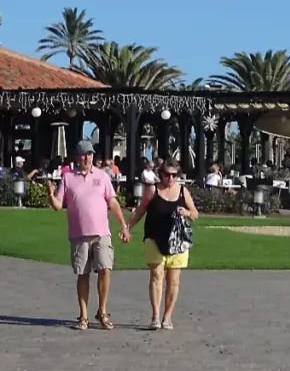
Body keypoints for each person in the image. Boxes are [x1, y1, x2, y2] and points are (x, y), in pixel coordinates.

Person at [46, 139, 131, 331]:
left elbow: (113, 203)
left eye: (90, 154)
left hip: (102, 233)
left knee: (105, 268)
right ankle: (83, 316)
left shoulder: (102, 176)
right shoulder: (68, 178)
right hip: (79, 234)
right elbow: (59, 205)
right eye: (84, 154)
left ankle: (102, 312)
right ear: (78, 156)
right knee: (82, 274)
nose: (88, 158)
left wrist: (124, 226)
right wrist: (51, 196)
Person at [127, 158, 198, 330]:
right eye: (167, 175)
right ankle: (155, 316)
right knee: (156, 276)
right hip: (154, 238)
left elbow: (195, 213)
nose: (170, 179)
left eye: (174, 175)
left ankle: (167, 317)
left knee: (173, 280)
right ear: (161, 174)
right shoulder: (152, 190)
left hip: (177, 242)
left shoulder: (182, 191)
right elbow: (141, 210)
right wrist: (127, 227)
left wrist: (186, 212)